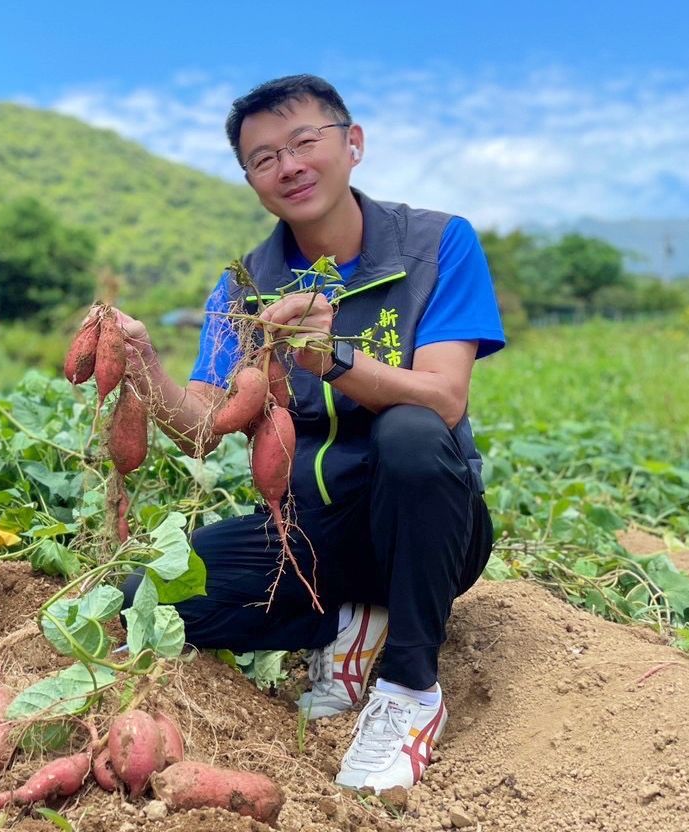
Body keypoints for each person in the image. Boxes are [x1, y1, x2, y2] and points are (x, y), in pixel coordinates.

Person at [115, 75, 505, 791]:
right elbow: (203, 427)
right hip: (309, 535)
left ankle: (410, 686)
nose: (287, 166)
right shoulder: (244, 286)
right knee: (143, 599)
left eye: (304, 143)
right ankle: (348, 625)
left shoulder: (436, 243)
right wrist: (143, 368)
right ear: (250, 180)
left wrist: (332, 361)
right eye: (263, 158)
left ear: (351, 144)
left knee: (411, 434)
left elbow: (444, 399)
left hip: (424, 531)